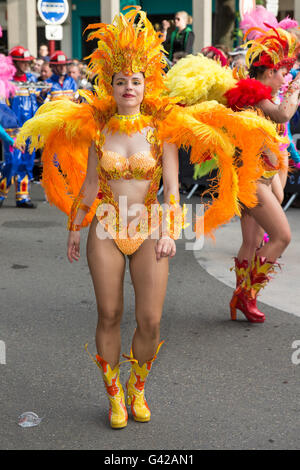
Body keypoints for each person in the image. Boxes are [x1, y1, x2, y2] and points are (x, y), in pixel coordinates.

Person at [17, 7, 285, 428]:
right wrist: (74, 226)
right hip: (105, 225)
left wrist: (169, 232)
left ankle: (137, 386)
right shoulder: (98, 130)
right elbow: (89, 185)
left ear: (146, 85)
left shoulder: (164, 131)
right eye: (121, 81)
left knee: (151, 319)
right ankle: (114, 396)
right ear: (112, 84)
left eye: (136, 81)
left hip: (147, 227)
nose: (128, 87)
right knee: (108, 314)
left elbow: (173, 190)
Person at [225, 26, 300, 323]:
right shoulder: (253, 96)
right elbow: (283, 115)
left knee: (251, 242)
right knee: (282, 236)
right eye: (282, 73)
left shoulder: (260, 97)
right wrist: (295, 92)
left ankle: (238, 297)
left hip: (261, 180)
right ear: (268, 72)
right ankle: (248, 295)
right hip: (252, 183)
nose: (285, 79)